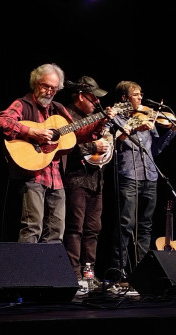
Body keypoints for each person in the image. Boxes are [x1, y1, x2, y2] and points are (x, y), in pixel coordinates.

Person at [0, 64, 117, 245]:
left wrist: (101, 121)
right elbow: (2, 121)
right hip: (33, 175)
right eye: (45, 86)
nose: (49, 91)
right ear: (35, 83)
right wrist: (32, 132)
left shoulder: (59, 109)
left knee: (56, 230)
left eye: (53, 88)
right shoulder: (23, 104)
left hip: (56, 177)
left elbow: (78, 134)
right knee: (32, 227)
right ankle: (26, 272)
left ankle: (47, 272)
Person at [110, 80, 176, 280]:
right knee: (126, 224)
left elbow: (156, 149)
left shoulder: (147, 116)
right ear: (124, 98)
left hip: (150, 176)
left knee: (146, 226)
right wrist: (135, 127)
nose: (140, 98)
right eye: (136, 94)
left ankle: (142, 273)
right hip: (128, 175)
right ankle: (117, 271)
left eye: (141, 94)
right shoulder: (115, 119)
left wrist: (172, 131)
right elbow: (113, 142)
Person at [62, 76, 111, 282]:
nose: (97, 102)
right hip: (75, 178)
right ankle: (73, 274)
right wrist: (93, 146)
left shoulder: (96, 116)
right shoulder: (66, 115)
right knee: (75, 227)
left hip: (95, 178)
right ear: (81, 96)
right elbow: (65, 148)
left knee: (93, 228)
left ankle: (88, 274)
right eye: (93, 98)